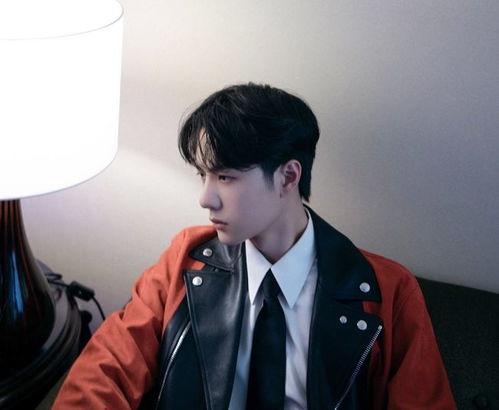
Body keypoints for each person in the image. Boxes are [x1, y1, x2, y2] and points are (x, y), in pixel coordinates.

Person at [53, 83, 456, 409]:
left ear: (288, 177)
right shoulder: (185, 261)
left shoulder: (387, 291)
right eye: (202, 176)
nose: (205, 198)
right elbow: (106, 371)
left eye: (225, 177)